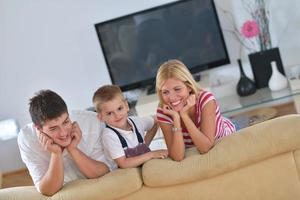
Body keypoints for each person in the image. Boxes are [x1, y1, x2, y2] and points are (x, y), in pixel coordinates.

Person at [18, 90, 110, 196]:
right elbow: (47, 190)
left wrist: (73, 149)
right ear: (38, 128)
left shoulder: (91, 122)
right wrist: (56, 154)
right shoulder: (27, 139)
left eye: (66, 122)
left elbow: (105, 173)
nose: (63, 133)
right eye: (53, 128)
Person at [155, 59, 236, 161]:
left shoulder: (206, 100)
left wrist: (184, 115)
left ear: (189, 87)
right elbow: (177, 156)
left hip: (225, 133)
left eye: (177, 89)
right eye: (165, 92)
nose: (172, 98)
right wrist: (176, 118)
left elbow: (205, 148)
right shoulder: (164, 112)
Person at [92, 85, 168, 170]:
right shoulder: (109, 135)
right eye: (109, 113)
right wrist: (151, 154)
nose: (117, 115)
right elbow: (123, 163)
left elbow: (156, 121)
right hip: (123, 171)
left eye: (119, 108)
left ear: (126, 106)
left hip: (142, 163)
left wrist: (145, 145)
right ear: (101, 117)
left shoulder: (136, 122)